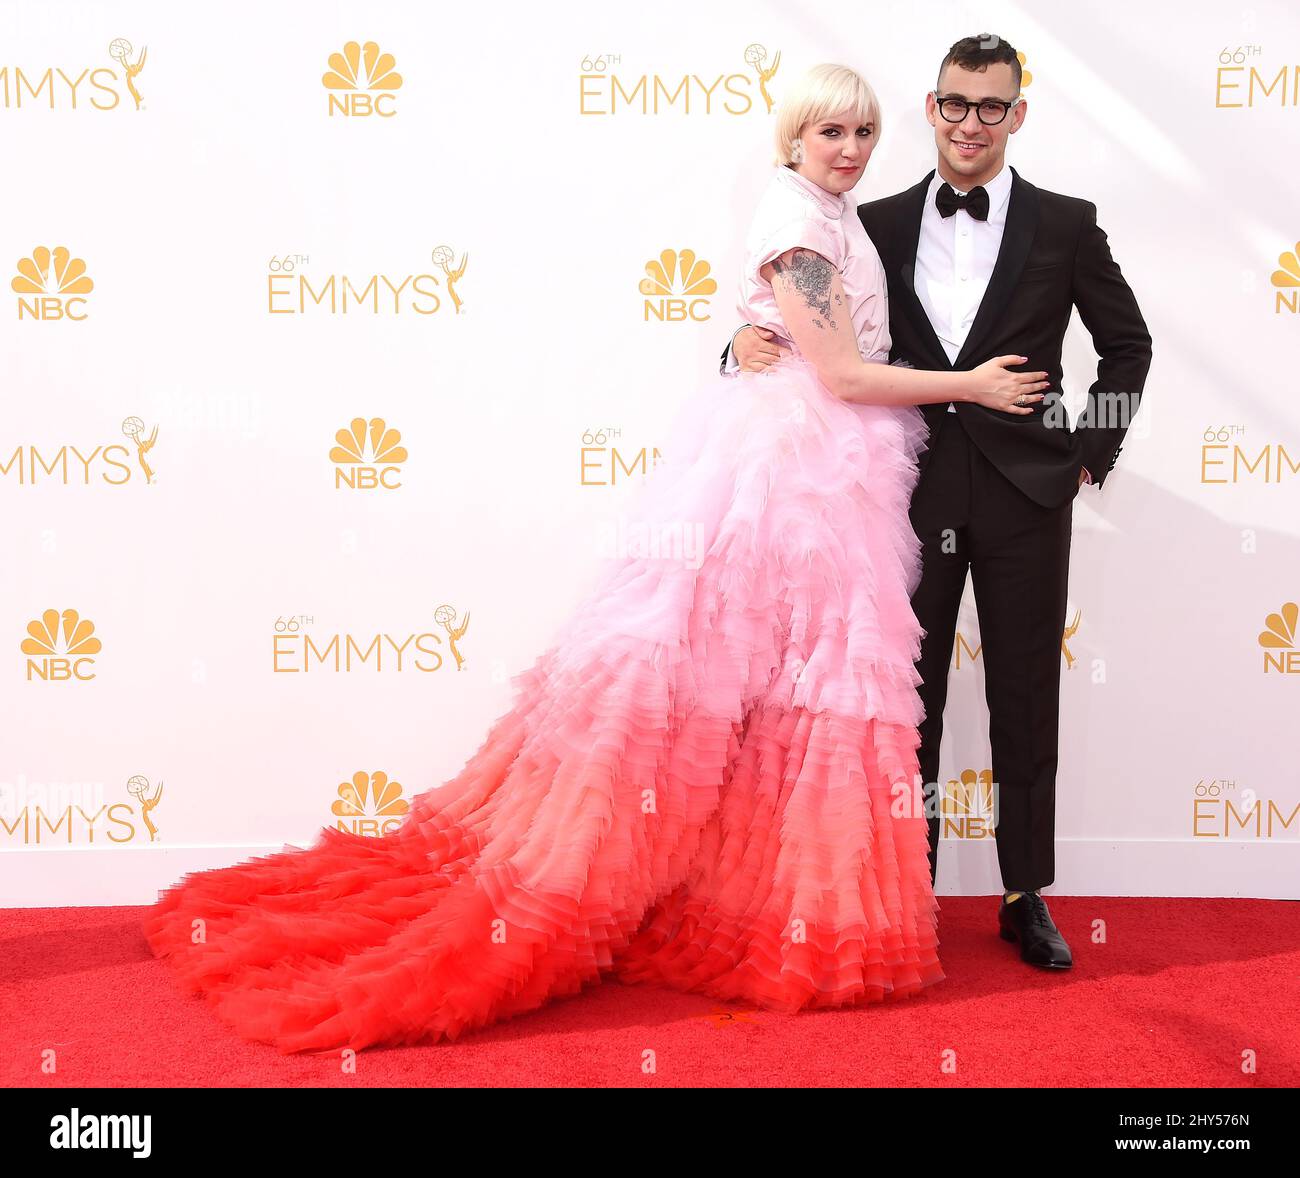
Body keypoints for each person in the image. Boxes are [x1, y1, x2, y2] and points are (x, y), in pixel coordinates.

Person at [142, 63, 1049, 1054]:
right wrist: (970, 384)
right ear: (790, 139)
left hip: (826, 467)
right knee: (743, 681)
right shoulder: (797, 220)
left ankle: (753, 902)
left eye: (864, 130)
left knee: (775, 692)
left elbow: (813, 342)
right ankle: (686, 899)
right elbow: (836, 369)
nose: (851, 146)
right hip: (792, 475)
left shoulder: (826, 216)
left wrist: (757, 344)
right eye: (830, 130)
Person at [727, 36, 1153, 969]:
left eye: (990, 107)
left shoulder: (1066, 223)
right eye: (955, 104)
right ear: (931, 108)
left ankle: (1023, 892)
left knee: (1025, 695)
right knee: (898, 704)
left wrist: (1089, 453)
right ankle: (902, 889)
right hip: (903, 491)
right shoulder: (865, 217)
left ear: (1017, 115)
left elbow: (1128, 346)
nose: (970, 123)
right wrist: (737, 350)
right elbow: (809, 322)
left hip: (1027, 495)